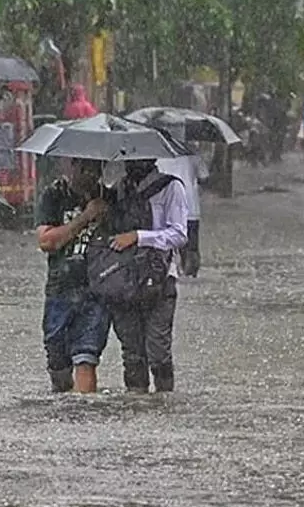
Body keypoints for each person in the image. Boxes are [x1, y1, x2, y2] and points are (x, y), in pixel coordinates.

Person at [101, 159, 189, 393]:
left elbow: (179, 234)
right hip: (124, 279)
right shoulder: (118, 190)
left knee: (158, 352)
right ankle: (136, 403)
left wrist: (139, 237)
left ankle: (164, 401)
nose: (132, 162)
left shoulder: (171, 187)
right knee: (132, 354)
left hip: (160, 279)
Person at [35, 159, 111, 393]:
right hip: (60, 288)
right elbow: (47, 242)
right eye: (85, 169)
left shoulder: (108, 198)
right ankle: (65, 403)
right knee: (57, 361)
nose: (91, 175)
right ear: (72, 166)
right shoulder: (54, 195)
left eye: (96, 170)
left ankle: (85, 410)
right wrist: (86, 216)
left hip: (96, 290)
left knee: (86, 357)